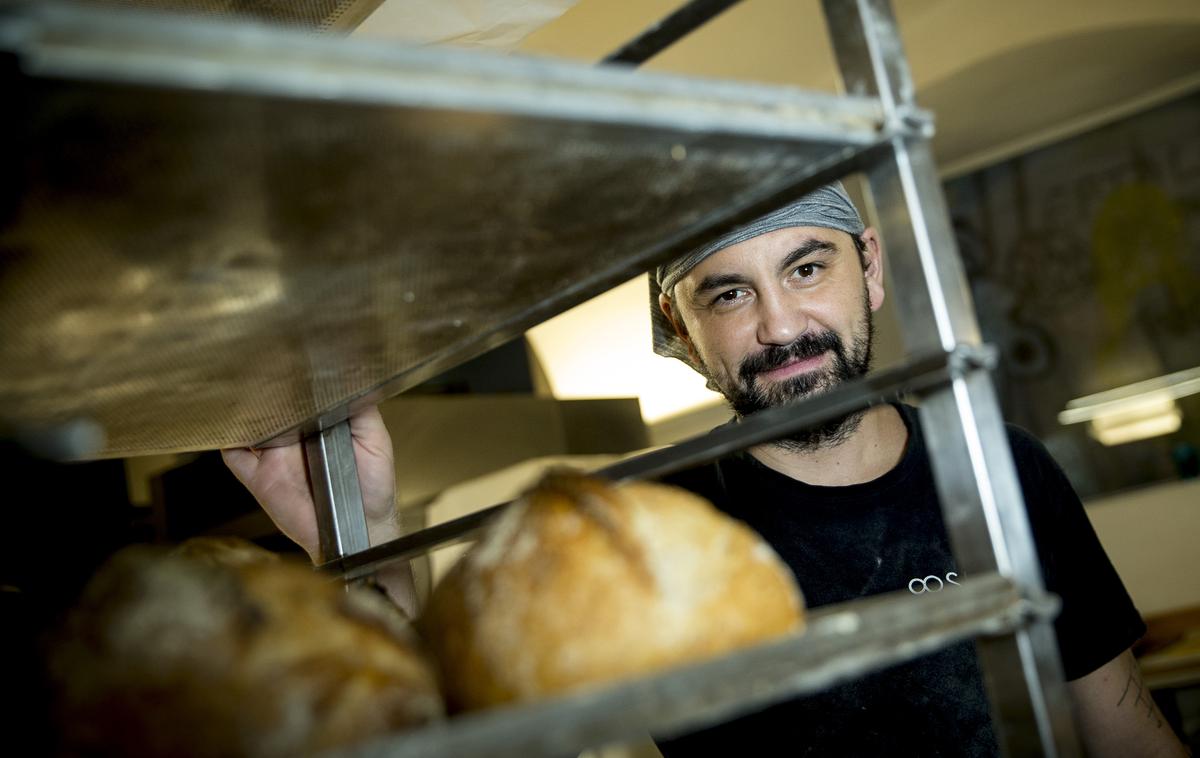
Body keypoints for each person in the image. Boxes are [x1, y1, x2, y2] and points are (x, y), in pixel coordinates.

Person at [224, 183, 1187, 756]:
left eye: (807, 269)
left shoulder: (1001, 469)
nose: (780, 328)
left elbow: (1128, 738)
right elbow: (450, 735)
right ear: (680, 332)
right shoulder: (640, 529)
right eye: (730, 292)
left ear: (872, 269)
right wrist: (364, 534)